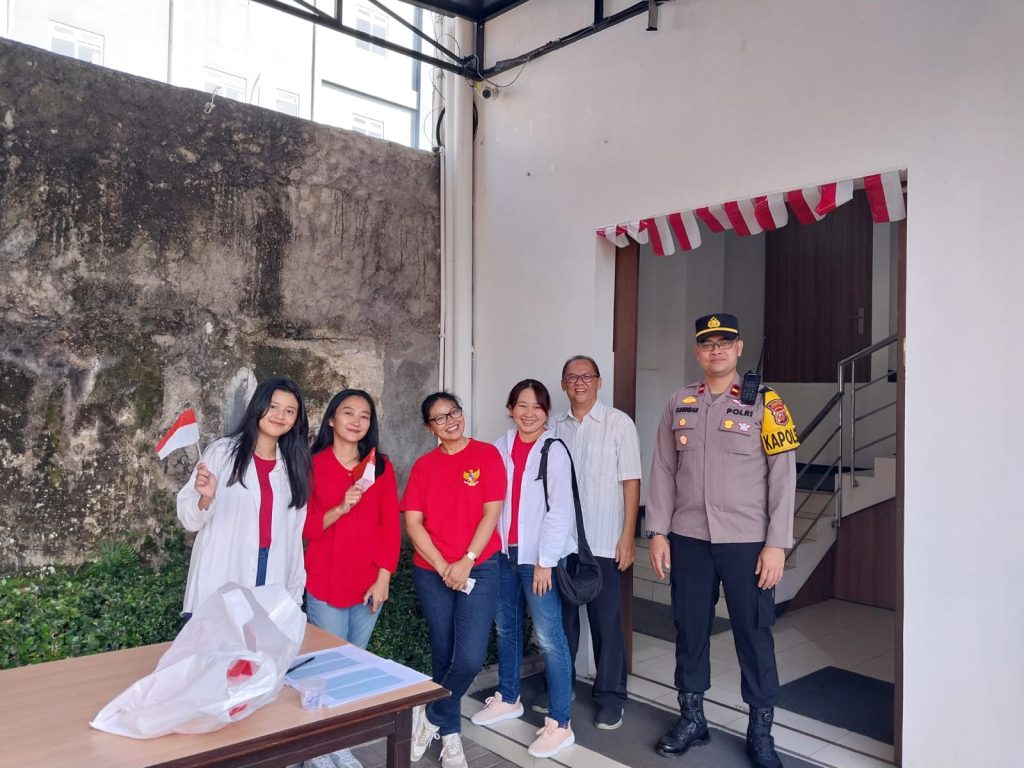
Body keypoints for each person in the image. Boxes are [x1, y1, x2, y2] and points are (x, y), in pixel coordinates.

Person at [646, 313, 799, 768]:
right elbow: (663, 469)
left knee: (754, 634)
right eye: (707, 343)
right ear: (697, 352)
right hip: (689, 538)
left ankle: (760, 730)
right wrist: (656, 531)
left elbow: (783, 476)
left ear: (739, 349)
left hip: (748, 543)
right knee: (690, 630)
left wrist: (777, 543)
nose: (715, 350)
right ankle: (693, 719)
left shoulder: (766, 403)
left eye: (724, 343)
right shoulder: (680, 401)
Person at [471, 379, 577, 759]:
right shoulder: (499, 447)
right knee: (507, 629)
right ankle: (509, 696)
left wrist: (546, 562)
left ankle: (560, 723)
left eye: (536, 406)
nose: (528, 413)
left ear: (546, 412)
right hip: (503, 554)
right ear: (510, 409)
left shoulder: (554, 451)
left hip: (538, 559)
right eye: (521, 405)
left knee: (550, 637)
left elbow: (560, 510)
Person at [401, 393, 505, 768]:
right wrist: (445, 565)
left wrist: (467, 560)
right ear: (430, 427)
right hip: (433, 571)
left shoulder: (486, 455)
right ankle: (451, 736)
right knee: (444, 653)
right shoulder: (423, 466)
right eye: (439, 418)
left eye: (454, 412)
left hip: (480, 567)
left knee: (469, 657)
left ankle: (429, 714)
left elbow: (491, 513)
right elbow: (413, 522)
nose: (450, 421)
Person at [302, 389, 400, 768]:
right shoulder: (310, 464)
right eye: (348, 413)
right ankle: (317, 748)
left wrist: (384, 578)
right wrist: (341, 506)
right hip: (325, 580)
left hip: (367, 586)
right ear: (331, 419)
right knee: (326, 668)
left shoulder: (380, 467)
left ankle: (338, 742)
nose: (357, 421)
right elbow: (306, 527)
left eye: (364, 415)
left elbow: (390, 526)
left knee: (352, 667)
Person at [548, 355, 641, 730]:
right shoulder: (553, 426)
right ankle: (561, 687)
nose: (580, 382)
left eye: (587, 376)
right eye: (572, 376)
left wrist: (628, 536)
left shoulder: (619, 424)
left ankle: (610, 697)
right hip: (564, 543)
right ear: (563, 384)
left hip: (604, 542)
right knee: (563, 621)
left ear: (599, 383)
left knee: (606, 623)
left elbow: (631, 480)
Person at [177, 376, 311, 617]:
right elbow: (190, 520)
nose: (280, 415)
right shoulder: (222, 452)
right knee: (219, 645)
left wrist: (294, 593)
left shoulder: (294, 466)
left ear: (296, 420)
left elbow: (293, 535)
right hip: (226, 566)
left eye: (289, 411)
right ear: (258, 407)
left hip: (272, 570)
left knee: (260, 649)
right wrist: (205, 498)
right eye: (273, 406)